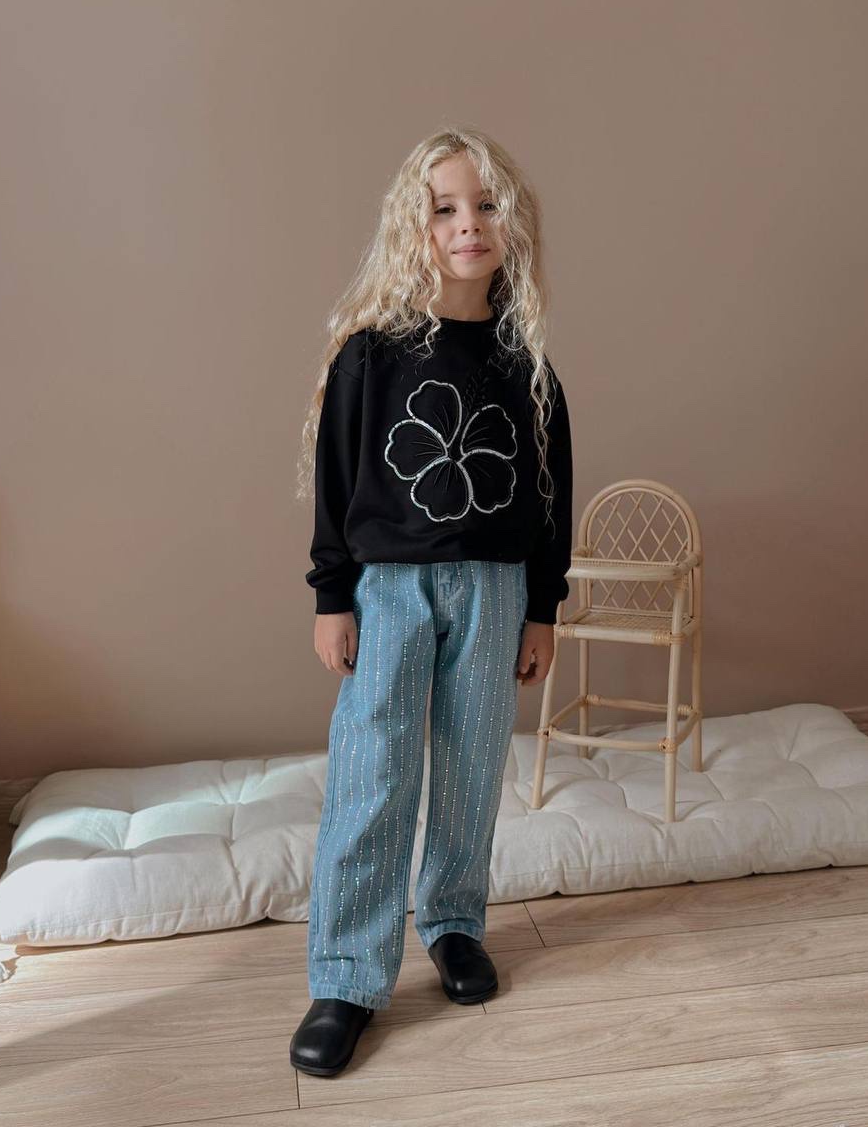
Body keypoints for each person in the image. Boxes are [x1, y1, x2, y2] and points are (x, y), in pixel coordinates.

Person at [290, 126, 573, 1076]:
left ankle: (454, 923)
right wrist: (333, 595)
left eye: (486, 205)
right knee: (373, 771)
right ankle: (346, 976)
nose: (467, 225)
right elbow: (336, 481)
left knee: (469, 767)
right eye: (445, 208)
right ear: (415, 226)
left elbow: (552, 495)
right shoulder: (370, 356)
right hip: (389, 592)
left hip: (495, 592)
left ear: (510, 223)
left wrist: (542, 608)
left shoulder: (526, 365)